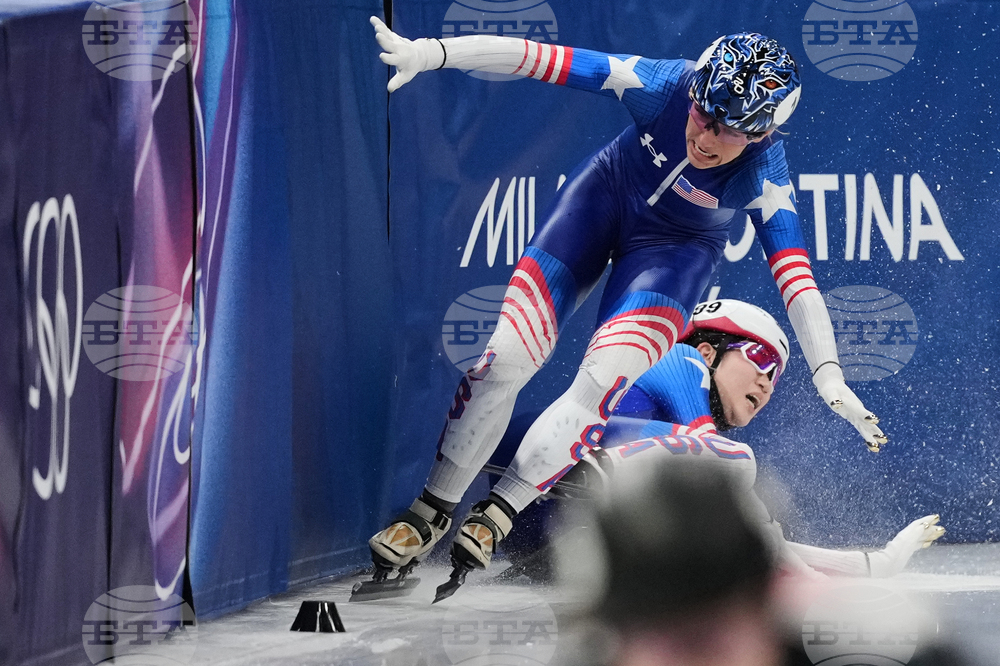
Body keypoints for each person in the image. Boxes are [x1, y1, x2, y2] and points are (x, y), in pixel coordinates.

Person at [364, 18, 889, 599]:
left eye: (729, 132)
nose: (706, 138)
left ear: (762, 135)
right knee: (502, 362)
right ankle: (430, 510)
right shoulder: (665, 84)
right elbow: (540, 57)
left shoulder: (767, 172)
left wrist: (829, 373)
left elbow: (797, 279)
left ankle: (501, 512)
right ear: (694, 91)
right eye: (703, 115)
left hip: (673, 256)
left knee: (600, 382)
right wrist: (434, 53)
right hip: (603, 198)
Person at [559, 299, 942, 581]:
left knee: (702, 533)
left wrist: (876, 564)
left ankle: (597, 476)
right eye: (760, 358)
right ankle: (593, 472)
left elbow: (751, 543)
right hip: (562, 480)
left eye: (775, 376)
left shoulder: (675, 447)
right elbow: (717, 476)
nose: (766, 382)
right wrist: (817, 589)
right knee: (732, 460)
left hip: (556, 539)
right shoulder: (680, 357)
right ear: (708, 351)